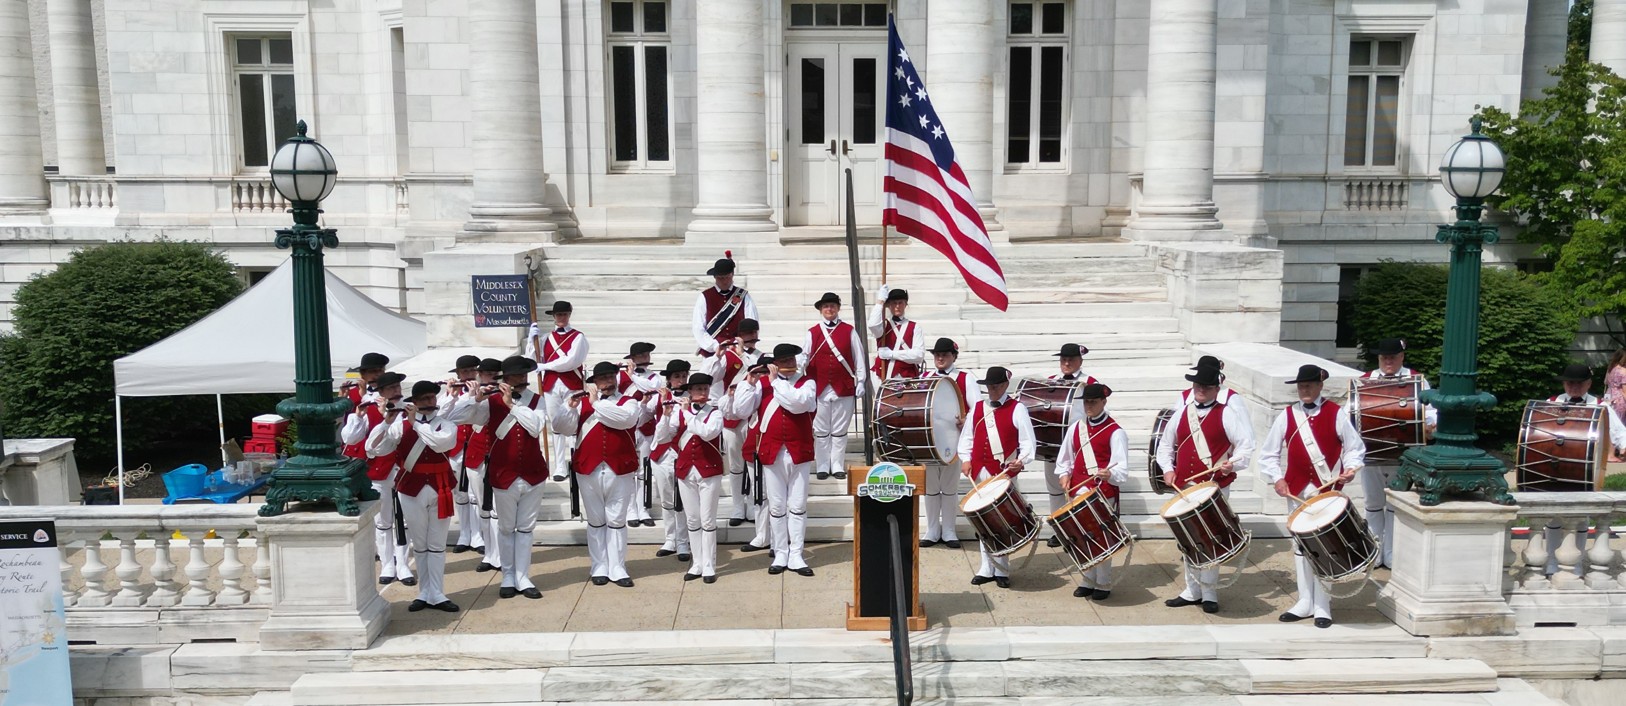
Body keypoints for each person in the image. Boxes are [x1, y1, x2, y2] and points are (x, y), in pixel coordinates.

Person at [1257, 364, 1365, 628]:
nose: (1303, 389)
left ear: (1320, 386)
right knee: (1300, 546)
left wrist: (1350, 469)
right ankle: (1304, 601)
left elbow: (1354, 448)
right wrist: (1277, 478)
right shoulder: (1287, 415)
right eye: (1300, 385)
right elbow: (1268, 454)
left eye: (1308, 385)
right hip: (1296, 491)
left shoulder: (1336, 413)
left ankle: (1322, 606)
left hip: (1326, 489)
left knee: (1325, 546)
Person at [446, 356, 548, 600]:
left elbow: (535, 427)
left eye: (524, 376)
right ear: (506, 379)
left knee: (525, 529)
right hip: (504, 474)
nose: (522, 380)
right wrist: (474, 398)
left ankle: (523, 576)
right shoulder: (490, 403)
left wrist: (512, 406)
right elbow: (454, 418)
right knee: (505, 527)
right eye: (516, 376)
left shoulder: (537, 400)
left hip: (533, 473)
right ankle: (508, 575)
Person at [1155, 364, 1254, 614]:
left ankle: (1209, 593)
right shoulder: (1181, 414)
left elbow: (1245, 447)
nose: (1200, 390)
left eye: (1206, 387)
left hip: (1213, 488)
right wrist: (1167, 469)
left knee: (1211, 539)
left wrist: (1232, 465)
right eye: (1197, 386)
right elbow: (1165, 446)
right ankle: (1192, 590)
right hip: (1186, 486)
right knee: (1189, 537)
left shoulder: (1227, 414)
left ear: (1215, 389)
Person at [553, 361, 652, 587]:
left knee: (617, 520)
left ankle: (618, 567)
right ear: (594, 382)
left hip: (620, 468)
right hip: (589, 468)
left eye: (610, 377)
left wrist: (595, 403)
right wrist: (569, 407)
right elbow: (561, 427)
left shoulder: (630, 403)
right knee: (596, 520)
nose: (607, 382)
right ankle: (599, 566)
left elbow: (623, 420)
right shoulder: (581, 404)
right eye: (602, 378)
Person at [366, 380, 460, 612]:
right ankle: (424, 592)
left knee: (436, 544)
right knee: (419, 544)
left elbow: (440, 444)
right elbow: (373, 448)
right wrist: (386, 421)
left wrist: (414, 424)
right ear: (415, 403)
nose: (430, 402)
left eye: (432, 398)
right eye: (424, 399)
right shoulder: (400, 425)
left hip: (440, 487)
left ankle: (437, 592)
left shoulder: (446, 424)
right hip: (411, 489)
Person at [731, 344, 819, 576]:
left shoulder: (807, 383)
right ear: (775, 364)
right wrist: (748, 383)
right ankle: (780, 552)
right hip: (772, 451)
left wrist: (775, 381)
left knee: (797, 506)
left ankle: (797, 554)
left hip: (799, 450)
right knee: (777, 506)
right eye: (783, 360)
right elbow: (741, 411)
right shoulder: (762, 384)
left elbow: (798, 404)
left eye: (791, 359)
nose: (789, 363)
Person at [956, 366, 1036, 589]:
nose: (991, 390)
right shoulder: (979, 408)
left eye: (995, 386)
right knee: (984, 520)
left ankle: (1002, 569)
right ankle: (986, 567)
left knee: (1002, 522)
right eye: (989, 387)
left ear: (1004, 386)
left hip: (1002, 473)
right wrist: (965, 458)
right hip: (980, 470)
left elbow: (1028, 443)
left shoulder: (1017, 409)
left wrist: (1021, 460)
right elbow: (967, 438)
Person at [1359, 338, 1436, 568]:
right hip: (1371, 452)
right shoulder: (1365, 381)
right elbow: (1350, 413)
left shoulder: (1417, 380)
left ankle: (1392, 555)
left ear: (1402, 357)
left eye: (1392, 357)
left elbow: (1431, 413)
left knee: (1394, 504)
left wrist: (1429, 425)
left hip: (1402, 454)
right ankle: (1374, 552)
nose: (1388, 361)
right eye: (1384, 358)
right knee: (1372, 503)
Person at [1053, 382, 1127, 601]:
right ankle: (1087, 580)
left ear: (1104, 402)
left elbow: (1121, 468)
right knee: (1081, 537)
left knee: (1102, 538)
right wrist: (1064, 474)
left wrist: (1109, 475)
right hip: (1078, 491)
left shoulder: (1116, 432)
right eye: (1086, 402)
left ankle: (1103, 583)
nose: (1088, 406)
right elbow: (1065, 458)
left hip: (1102, 492)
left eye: (1093, 402)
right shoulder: (1076, 427)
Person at [339, 370, 414, 586]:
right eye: (391, 388)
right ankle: (387, 563)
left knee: (404, 520)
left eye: (398, 387)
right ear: (380, 391)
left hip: (404, 469)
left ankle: (403, 564)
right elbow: (350, 438)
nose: (397, 392)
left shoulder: (408, 409)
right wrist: (357, 416)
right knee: (383, 520)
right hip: (379, 470)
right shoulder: (369, 409)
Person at [659, 373, 727, 582]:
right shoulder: (679, 412)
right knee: (693, 519)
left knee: (707, 520)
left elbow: (706, 433)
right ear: (690, 392)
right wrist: (665, 414)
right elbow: (662, 437)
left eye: (705, 389)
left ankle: (709, 565)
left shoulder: (715, 413)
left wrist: (687, 413)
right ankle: (697, 563)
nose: (702, 393)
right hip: (686, 470)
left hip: (709, 471)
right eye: (698, 389)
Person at [918, 337, 980, 549]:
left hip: (954, 440)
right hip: (929, 441)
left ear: (954, 356)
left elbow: (978, 408)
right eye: (937, 355)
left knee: (950, 487)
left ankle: (950, 530)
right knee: (931, 488)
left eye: (944, 354)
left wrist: (966, 420)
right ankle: (933, 530)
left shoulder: (965, 378)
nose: (940, 358)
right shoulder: (925, 376)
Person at [703, 319, 764, 529]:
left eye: (752, 333)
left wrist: (741, 354)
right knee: (736, 466)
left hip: (751, 417)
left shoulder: (761, 358)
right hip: (730, 417)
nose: (749, 337)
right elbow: (709, 377)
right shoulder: (727, 356)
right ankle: (738, 507)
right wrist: (722, 355)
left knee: (752, 464)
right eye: (745, 334)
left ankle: (755, 506)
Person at [802, 292, 865, 481]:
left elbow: (858, 357)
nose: (829, 309)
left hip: (843, 386)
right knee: (821, 430)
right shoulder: (812, 332)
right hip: (819, 386)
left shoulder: (849, 330)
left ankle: (837, 464)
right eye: (825, 306)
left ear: (838, 308)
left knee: (839, 430)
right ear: (821, 310)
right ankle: (822, 465)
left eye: (832, 306)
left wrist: (861, 381)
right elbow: (804, 356)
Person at [1041, 343, 1099, 545]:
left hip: (1080, 443)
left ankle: (1080, 528)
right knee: (1054, 488)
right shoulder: (1050, 382)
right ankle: (1059, 529)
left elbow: (1098, 413)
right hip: (1053, 442)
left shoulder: (1090, 382)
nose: (1066, 363)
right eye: (1063, 359)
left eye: (1071, 360)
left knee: (1079, 488)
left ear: (1080, 361)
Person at [536, 300, 590, 482]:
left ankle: (576, 459)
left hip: (571, 383)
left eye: (565, 314)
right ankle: (559, 464)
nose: (561, 318)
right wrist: (530, 341)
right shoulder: (544, 339)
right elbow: (534, 359)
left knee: (573, 421)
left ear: (569, 315)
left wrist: (545, 365)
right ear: (553, 317)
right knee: (556, 425)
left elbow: (571, 361)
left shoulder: (578, 337)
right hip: (551, 384)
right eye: (558, 315)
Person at [441, 354, 486, 557]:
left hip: (476, 447)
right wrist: (451, 395)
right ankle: (464, 534)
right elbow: (441, 417)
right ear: (458, 374)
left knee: (475, 493)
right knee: (459, 493)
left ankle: (478, 535)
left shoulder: (482, 392)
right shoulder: (451, 395)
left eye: (471, 371)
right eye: (464, 372)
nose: (467, 375)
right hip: (456, 448)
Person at [648, 359, 693, 562]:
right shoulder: (659, 398)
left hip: (682, 452)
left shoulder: (693, 398)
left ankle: (684, 542)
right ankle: (670, 539)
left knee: (681, 500)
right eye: (677, 376)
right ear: (669, 379)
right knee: (667, 499)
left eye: (684, 376)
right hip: (661, 453)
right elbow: (642, 417)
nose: (681, 380)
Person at [621, 342, 661, 529]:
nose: (645, 357)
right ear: (632, 358)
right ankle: (630, 510)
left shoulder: (655, 377)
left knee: (644, 471)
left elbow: (649, 390)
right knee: (629, 471)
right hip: (628, 429)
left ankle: (643, 508)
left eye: (646, 354)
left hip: (645, 427)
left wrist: (632, 377)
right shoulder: (620, 377)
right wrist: (625, 375)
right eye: (640, 355)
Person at [1550, 363, 1626, 457]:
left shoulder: (1600, 406)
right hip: (1554, 453)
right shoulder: (1551, 402)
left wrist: (1624, 446)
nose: (1575, 387)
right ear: (1563, 384)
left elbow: (1618, 430)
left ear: (1589, 384)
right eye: (1570, 383)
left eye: (1580, 383)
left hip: (1588, 456)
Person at [693, 254, 758, 355]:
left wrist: (741, 346)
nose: (724, 281)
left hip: (740, 351)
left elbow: (752, 324)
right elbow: (698, 327)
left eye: (727, 277)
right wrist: (714, 346)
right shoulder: (705, 296)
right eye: (720, 278)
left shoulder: (744, 296)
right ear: (714, 277)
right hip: (714, 352)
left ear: (732, 275)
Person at [869, 285, 925, 381]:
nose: (897, 306)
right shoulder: (884, 324)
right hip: (882, 375)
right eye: (894, 303)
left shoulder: (915, 327)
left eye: (900, 303)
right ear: (889, 305)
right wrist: (880, 302)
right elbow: (872, 325)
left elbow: (918, 355)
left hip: (906, 377)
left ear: (905, 304)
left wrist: (892, 354)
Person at [1606, 349, 1626, 428]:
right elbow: (1625, 392)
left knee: (1610, 423)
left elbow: (1605, 382)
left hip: (1609, 396)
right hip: (1620, 400)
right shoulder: (1624, 371)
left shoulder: (1611, 369)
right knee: (1620, 425)